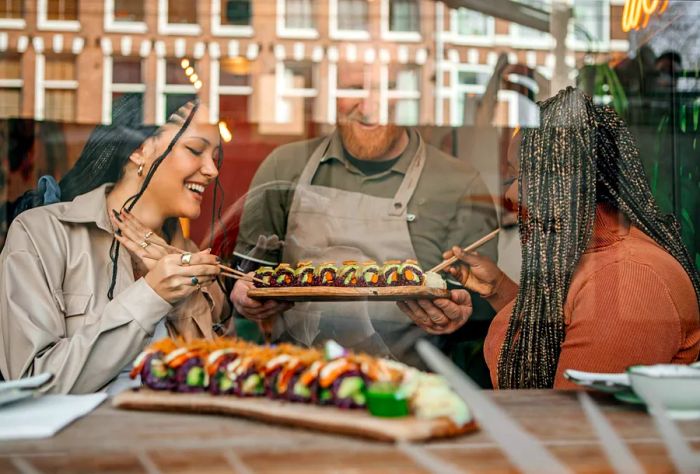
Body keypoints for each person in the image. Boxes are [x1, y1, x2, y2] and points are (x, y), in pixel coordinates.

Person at [399, 87, 700, 388]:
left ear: (567, 181)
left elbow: (577, 419)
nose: (510, 194)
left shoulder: (630, 278)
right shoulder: (593, 254)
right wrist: (498, 289)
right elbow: (565, 332)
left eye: (523, 176)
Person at [230, 64, 498, 368]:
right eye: (354, 89)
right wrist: (244, 295)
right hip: (296, 378)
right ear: (331, 96)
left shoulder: (459, 183)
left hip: (409, 390)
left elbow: (482, 317)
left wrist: (459, 314)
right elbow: (244, 278)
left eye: (386, 89)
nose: (370, 107)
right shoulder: (283, 166)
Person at [0, 96, 230, 394]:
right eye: (195, 150)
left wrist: (188, 299)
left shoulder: (190, 257)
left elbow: (218, 385)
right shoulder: (41, 235)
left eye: (216, 157)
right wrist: (151, 295)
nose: (212, 170)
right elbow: (30, 385)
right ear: (139, 149)